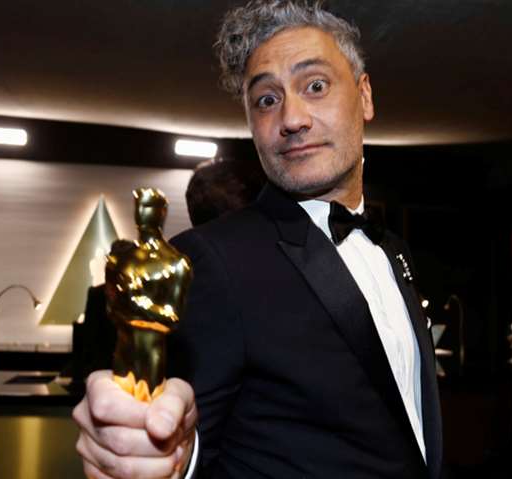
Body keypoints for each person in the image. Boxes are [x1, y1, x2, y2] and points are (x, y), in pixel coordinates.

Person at [73, 1, 442, 477]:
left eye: (315, 86)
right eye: (267, 99)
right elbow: (184, 431)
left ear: (365, 95)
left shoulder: (394, 249)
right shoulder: (212, 259)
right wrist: (168, 455)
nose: (292, 118)